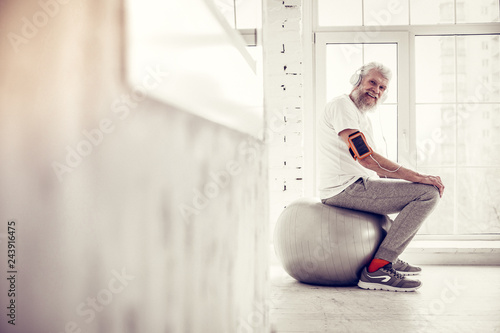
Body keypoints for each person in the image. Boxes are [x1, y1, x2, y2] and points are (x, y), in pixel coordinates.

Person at [317, 62, 445, 292]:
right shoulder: (341, 105)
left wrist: (410, 181)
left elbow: (376, 168)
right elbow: (365, 157)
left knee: (422, 190)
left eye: (382, 88)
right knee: (428, 194)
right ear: (357, 80)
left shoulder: (361, 117)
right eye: (372, 82)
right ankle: (377, 269)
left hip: (358, 183)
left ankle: (390, 259)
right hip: (344, 188)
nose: (376, 90)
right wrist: (418, 178)